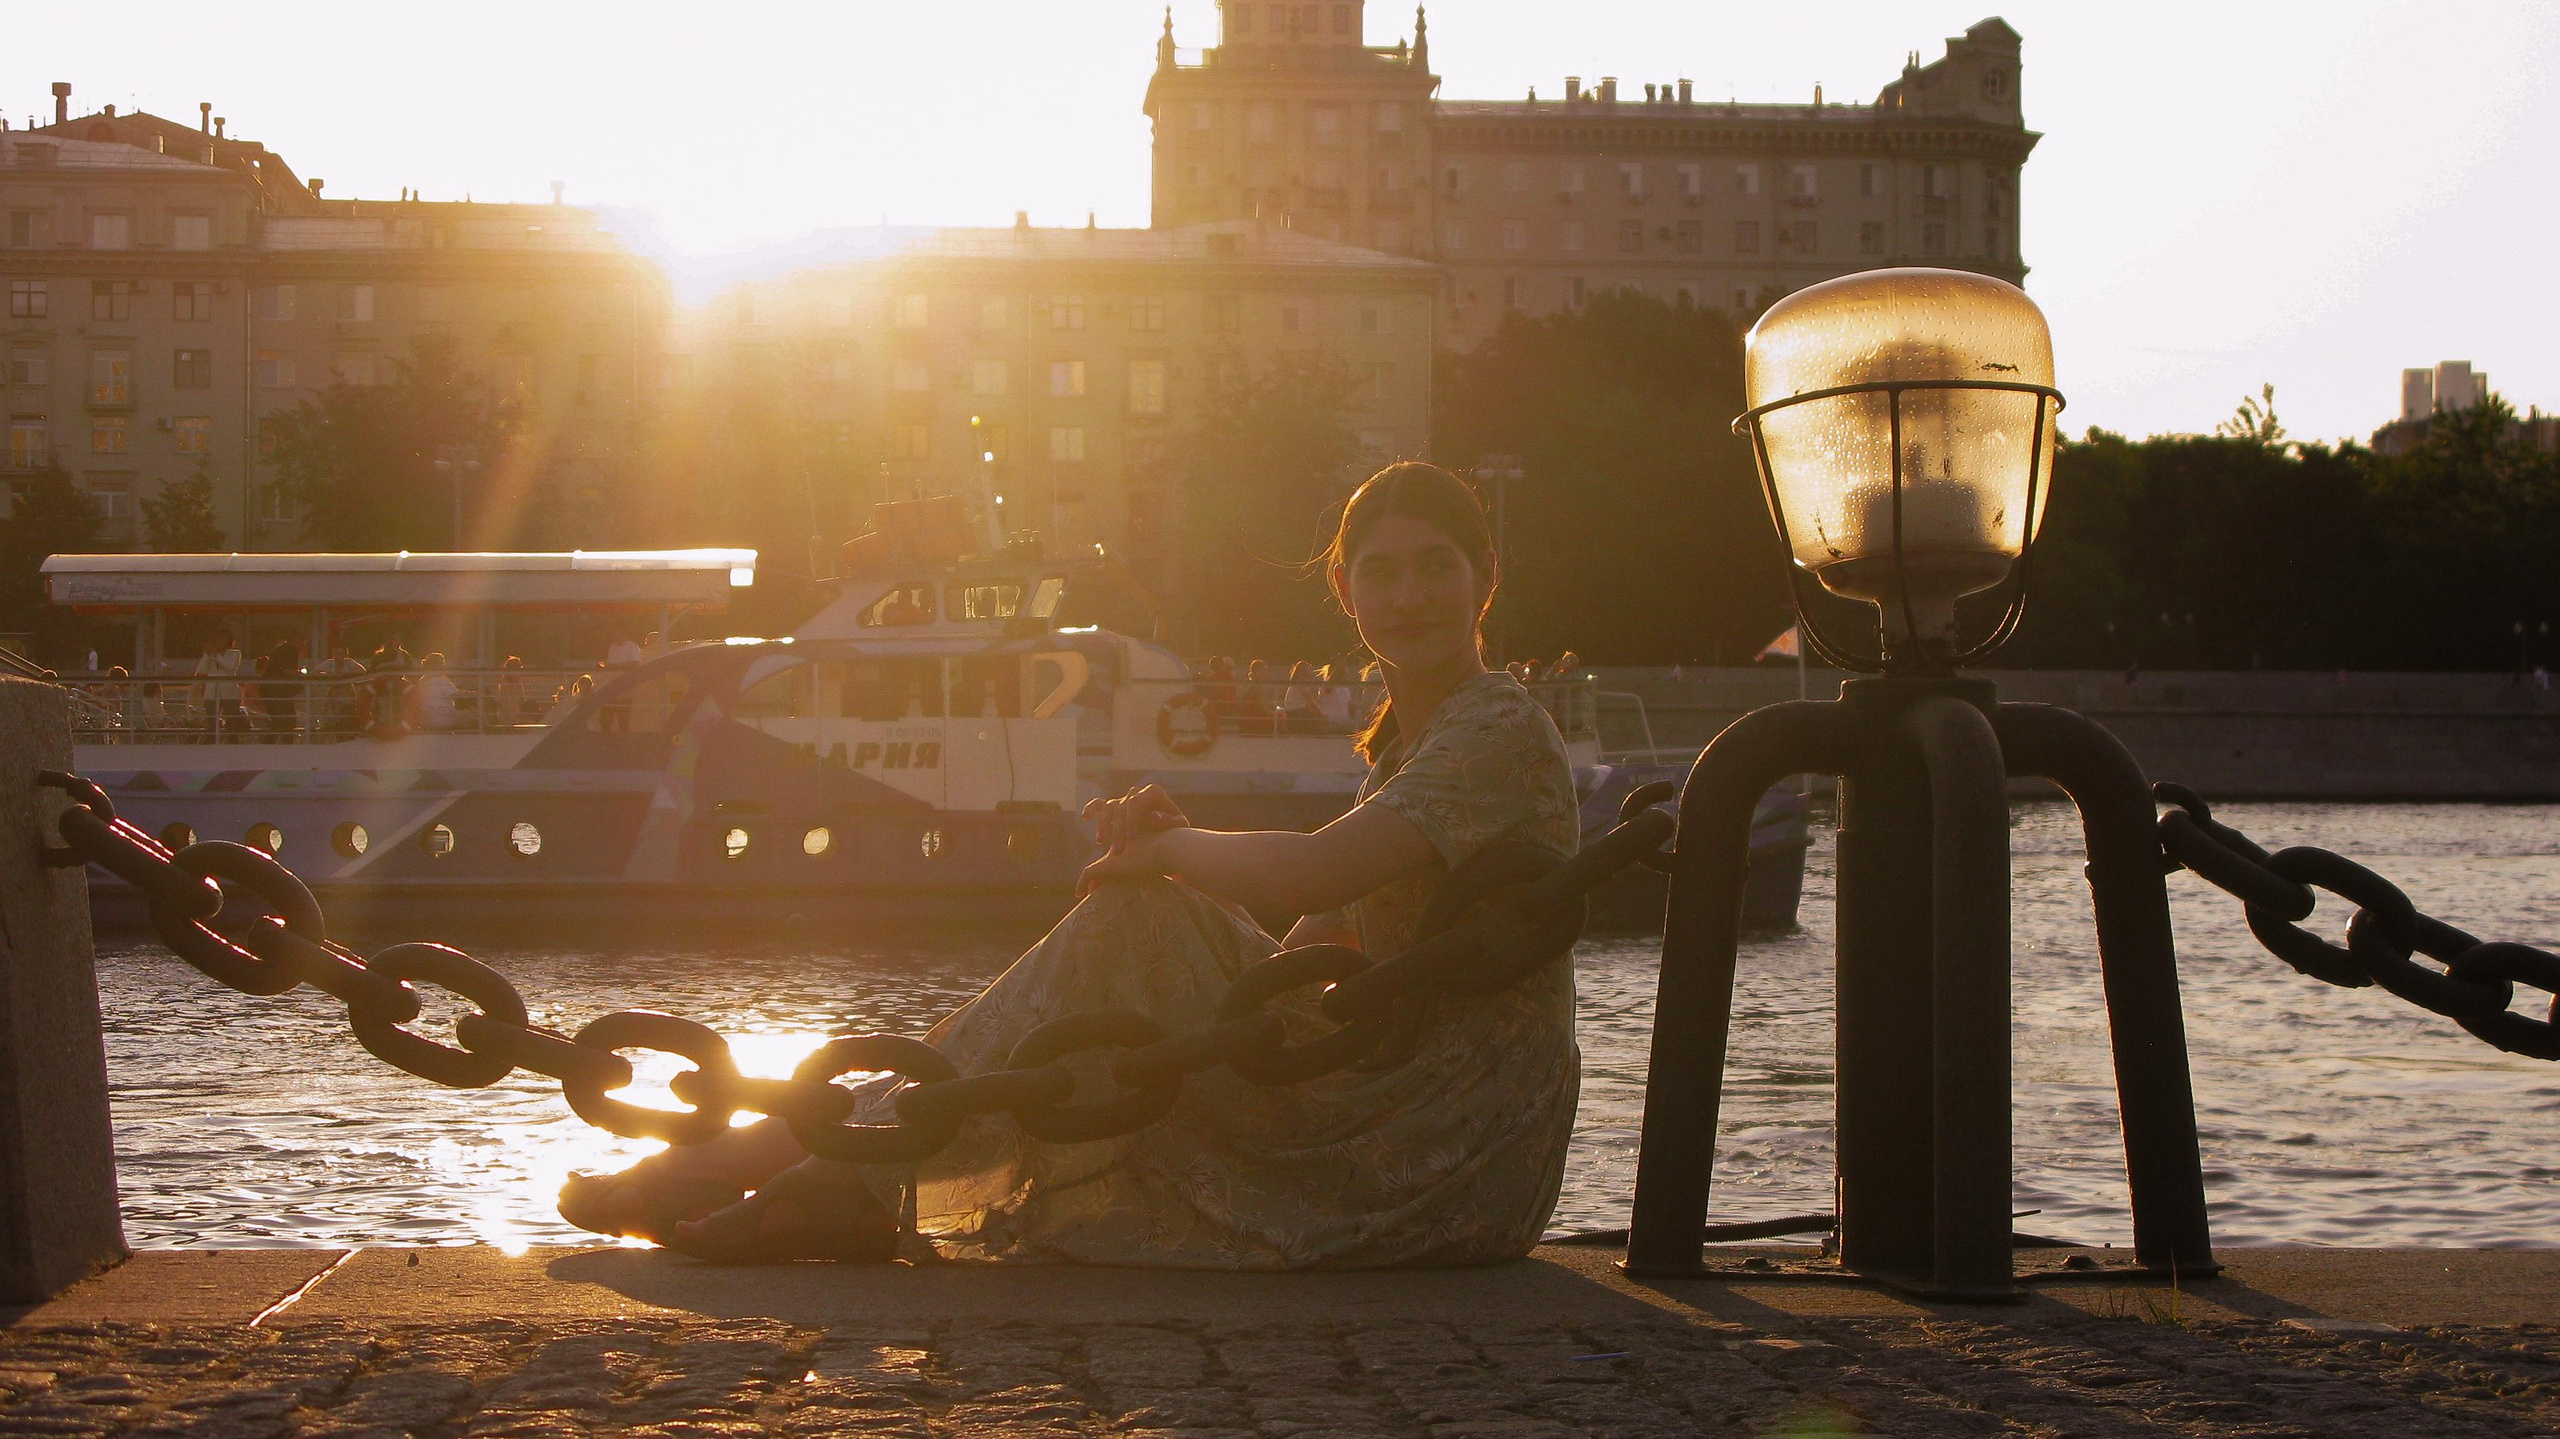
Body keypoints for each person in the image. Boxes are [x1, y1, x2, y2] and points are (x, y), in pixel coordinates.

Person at [557, 461, 1580, 1269]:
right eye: (1382, 569)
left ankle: (803, 1169)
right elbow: (1319, 956)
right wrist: (1177, 859)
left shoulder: (1493, 724)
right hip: (1407, 1098)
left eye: (1434, 564)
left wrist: (1168, 850)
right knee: (1137, 923)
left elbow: (1313, 876)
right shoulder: (1417, 739)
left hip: (1456, 1143)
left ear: (1484, 576)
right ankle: (803, 1165)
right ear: (1345, 588)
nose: (1408, 595)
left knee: (1135, 916)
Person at [192, 630, 242, 740]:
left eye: (222, 639)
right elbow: (201, 671)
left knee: (232, 720)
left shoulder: (235, 653)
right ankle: (212, 742)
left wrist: (215, 655)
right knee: (212, 721)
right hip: (211, 691)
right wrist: (206, 654)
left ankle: (232, 742)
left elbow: (229, 667)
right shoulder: (210, 654)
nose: (219, 641)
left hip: (230, 691)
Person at [413, 653, 462, 730]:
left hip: (425, 720)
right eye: (443, 663)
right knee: (471, 717)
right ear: (438, 666)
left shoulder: (421, 681)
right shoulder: (441, 680)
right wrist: (475, 693)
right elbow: (457, 696)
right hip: (443, 719)